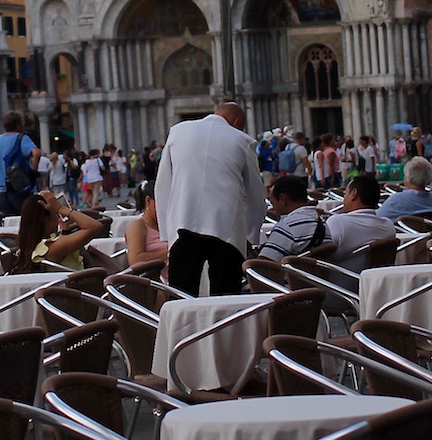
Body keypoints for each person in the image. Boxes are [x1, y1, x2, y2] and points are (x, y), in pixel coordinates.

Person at [154, 101, 267, 296]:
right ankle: (224, 327)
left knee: (181, 294)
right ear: (238, 121)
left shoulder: (177, 132)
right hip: (227, 229)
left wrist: (167, 234)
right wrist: (250, 235)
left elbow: (162, 186)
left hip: (183, 225)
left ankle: (185, 327)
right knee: (225, 296)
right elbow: (257, 195)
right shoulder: (243, 141)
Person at [14, 189, 102, 272]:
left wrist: (65, 231)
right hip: (77, 287)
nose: (58, 216)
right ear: (45, 218)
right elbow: (94, 226)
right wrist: (62, 208)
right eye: (56, 213)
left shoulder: (32, 245)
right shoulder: (52, 247)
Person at [323, 175, 395, 271]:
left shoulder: (337, 223)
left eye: (345, 194)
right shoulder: (388, 226)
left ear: (353, 194)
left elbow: (320, 255)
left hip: (332, 284)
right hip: (373, 284)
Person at [257, 175, 326, 262]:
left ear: (283, 198)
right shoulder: (322, 223)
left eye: (273, 203)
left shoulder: (287, 226)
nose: (274, 209)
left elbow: (262, 265)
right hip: (317, 274)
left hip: (289, 274)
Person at [0, 111, 41, 216]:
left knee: (9, 224)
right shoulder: (21, 138)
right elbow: (36, 153)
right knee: (27, 222)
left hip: (3, 191)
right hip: (20, 189)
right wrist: (33, 172)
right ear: (18, 125)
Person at [376, 157, 432, 222]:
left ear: (409, 178)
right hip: (430, 231)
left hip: (401, 232)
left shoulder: (397, 199)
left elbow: (377, 219)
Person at [124, 179, 170, 272]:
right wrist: (170, 253)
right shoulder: (138, 226)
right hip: (160, 283)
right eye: (163, 203)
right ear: (148, 201)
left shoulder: (168, 224)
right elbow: (135, 260)